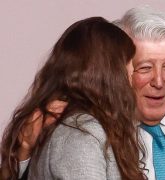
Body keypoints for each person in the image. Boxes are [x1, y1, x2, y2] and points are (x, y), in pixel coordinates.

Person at [15, 7, 165, 180]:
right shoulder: (84, 130)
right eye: (144, 68)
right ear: (117, 69)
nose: (159, 81)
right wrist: (23, 155)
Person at [0, 17, 144, 179]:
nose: (132, 82)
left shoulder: (83, 130)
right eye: (129, 71)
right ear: (111, 76)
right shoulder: (81, 134)